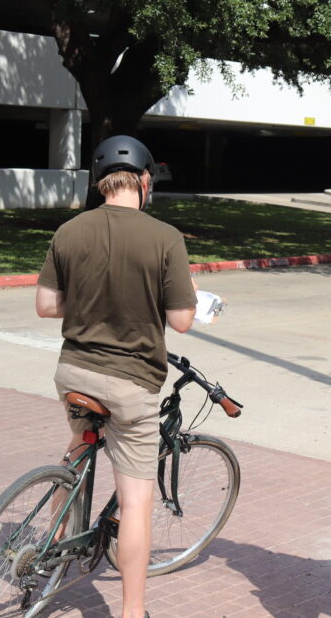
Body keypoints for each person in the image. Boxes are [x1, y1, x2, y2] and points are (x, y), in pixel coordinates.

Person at [36, 135, 197, 618]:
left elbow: (46, 306)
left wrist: (87, 299)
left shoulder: (69, 231)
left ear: (99, 182)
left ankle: (53, 541)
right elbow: (183, 319)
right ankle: (131, 613)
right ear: (146, 183)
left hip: (74, 373)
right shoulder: (165, 238)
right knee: (136, 506)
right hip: (131, 383)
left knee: (81, 443)